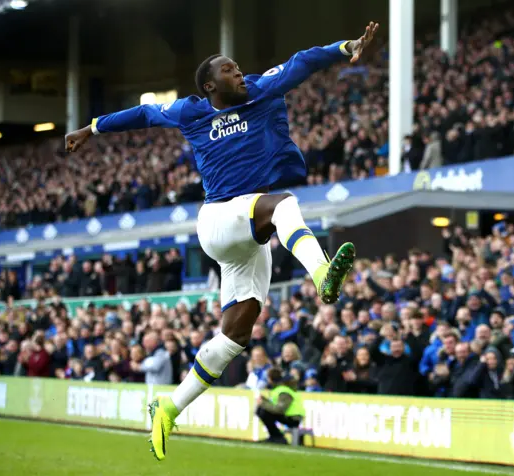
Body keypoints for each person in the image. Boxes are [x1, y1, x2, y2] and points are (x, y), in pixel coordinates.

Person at [65, 21, 379, 461]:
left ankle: (169, 408)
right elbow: (141, 115)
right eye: (230, 71)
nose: (240, 74)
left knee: (235, 336)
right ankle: (323, 272)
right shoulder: (190, 112)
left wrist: (345, 47)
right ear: (210, 85)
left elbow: (303, 61)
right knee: (283, 205)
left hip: (247, 240)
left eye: (238, 68)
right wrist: (91, 128)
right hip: (218, 220)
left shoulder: (261, 90)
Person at [255, 367, 305, 445]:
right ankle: (275, 436)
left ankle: (277, 437)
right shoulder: (281, 389)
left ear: (270, 378)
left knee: (262, 411)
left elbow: (279, 409)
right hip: (290, 416)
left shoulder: (283, 391)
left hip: (293, 418)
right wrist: (264, 400)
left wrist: (263, 403)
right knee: (262, 410)